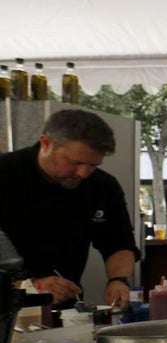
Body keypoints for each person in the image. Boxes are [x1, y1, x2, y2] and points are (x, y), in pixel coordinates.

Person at [0, 109, 139, 307]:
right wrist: (27, 286)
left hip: (66, 308)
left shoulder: (102, 186)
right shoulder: (5, 173)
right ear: (46, 143)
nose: (83, 174)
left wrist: (119, 280)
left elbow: (119, 242)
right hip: (7, 306)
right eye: (76, 162)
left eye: (93, 165)